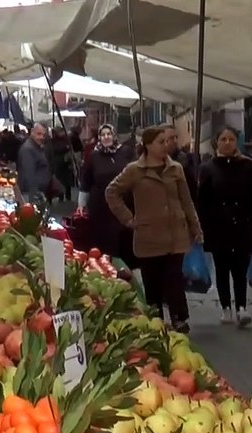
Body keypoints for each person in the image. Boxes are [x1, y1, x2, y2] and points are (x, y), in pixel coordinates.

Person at [106, 125, 203, 333]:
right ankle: (155, 318)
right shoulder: (135, 170)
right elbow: (112, 192)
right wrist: (128, 218)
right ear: (148, 145)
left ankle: (179, 318)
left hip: (175, 233)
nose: (166, 145)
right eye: (161, 142)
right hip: (148, 235)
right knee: (153, 280)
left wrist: (196, 227)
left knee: (174, 277)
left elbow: (186, 200)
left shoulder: (175, 168)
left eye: (167, 141)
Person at [198, 126, 252, 327]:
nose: (227, 143)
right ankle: (226, 307)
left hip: (242, 224)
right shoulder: (208, 168)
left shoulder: (249, 166)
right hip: (218, 226)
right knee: (222, 268)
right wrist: (199, 226)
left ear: (237, 142)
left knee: (240, 269)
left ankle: (242, 307)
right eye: (224, 139)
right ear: (217, 142)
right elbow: (202, 200)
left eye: (231, 139)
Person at [80, 124, 135, 261]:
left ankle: (126, 269)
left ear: (114, 135)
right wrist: (81, 204)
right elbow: (86, 181)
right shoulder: (94, 156)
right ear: (99, 137)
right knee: (104, 239)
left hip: (124, 203)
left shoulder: (126, 152)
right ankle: (105, 266)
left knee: (125, 237)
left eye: (109, 134)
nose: (106, 137)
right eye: (103, 135)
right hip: (101, 206)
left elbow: (135, 173)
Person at [16, 123, 53, 205]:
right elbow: (28, 174)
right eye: (38, 134)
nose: (41, 137)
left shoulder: (36, 147)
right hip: (31, 194)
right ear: (32, 132)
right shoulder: (28, 149)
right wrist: (35, 195)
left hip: (37, 192)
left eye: (43, 135)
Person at [163, 125, 199, 200]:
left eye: (176, 137)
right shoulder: (154, 162)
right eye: (171, 138)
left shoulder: (187, 160)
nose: (175, 141)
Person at [49, 126, 76, 201]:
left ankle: (67, 195)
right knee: (60, 180)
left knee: (66, 180)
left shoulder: (66, 139)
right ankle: (61, 195)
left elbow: (70, 147)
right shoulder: (53, 141)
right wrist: (66, 147)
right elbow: (54, 149)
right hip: (58, 162)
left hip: (66, 162)